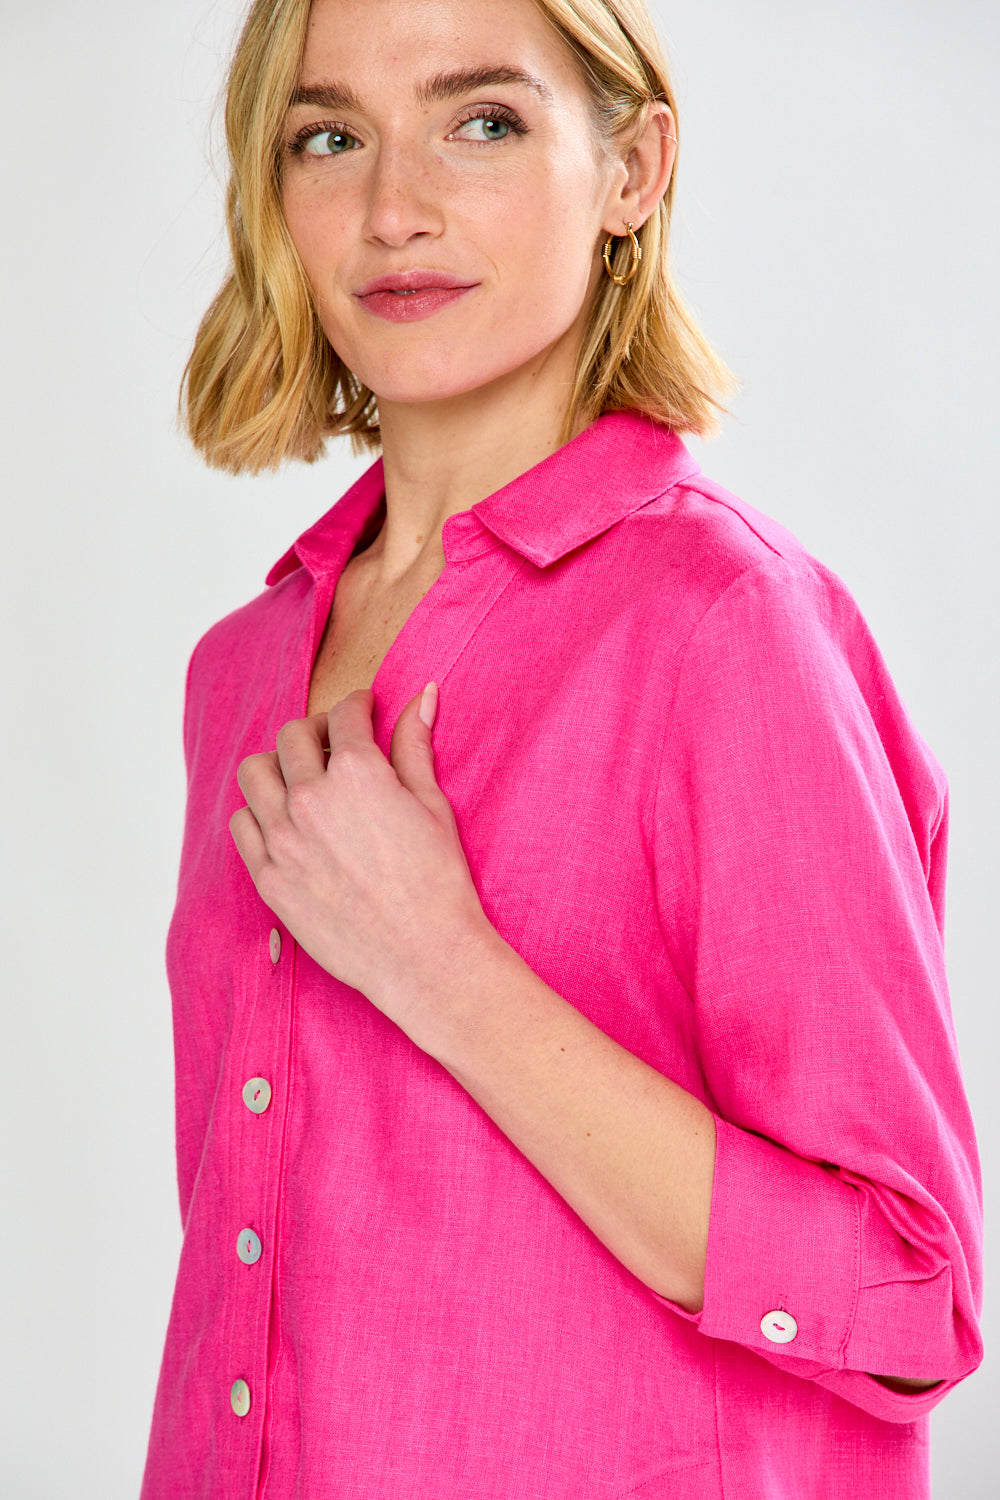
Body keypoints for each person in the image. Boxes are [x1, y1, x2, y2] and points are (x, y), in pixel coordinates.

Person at [139, 0, 983, 1495]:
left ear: (635, 170)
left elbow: (912, 1298)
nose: (394, 210)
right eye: (328, 138)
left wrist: (449, 975)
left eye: (484, 122)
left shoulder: (725, 629)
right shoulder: (242, 671)